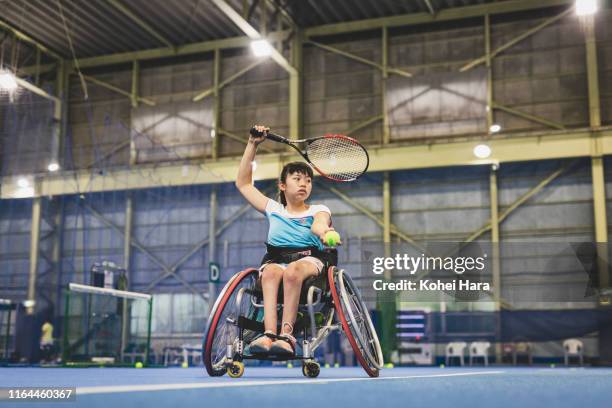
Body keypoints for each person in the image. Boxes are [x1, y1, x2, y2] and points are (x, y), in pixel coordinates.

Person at [235, 125, 339, 355]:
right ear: (283, 185)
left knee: (292, 271)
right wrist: (252, 144)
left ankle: (287, 335)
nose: (304, 183)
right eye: (297, 179)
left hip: (310, 261)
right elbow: (243, 184)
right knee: (270, 273)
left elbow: (319, 224)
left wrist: (326, 233)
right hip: (276, 261)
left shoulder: (319, 209)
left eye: (308, 180)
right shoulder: (273, 209)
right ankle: (269, 334)